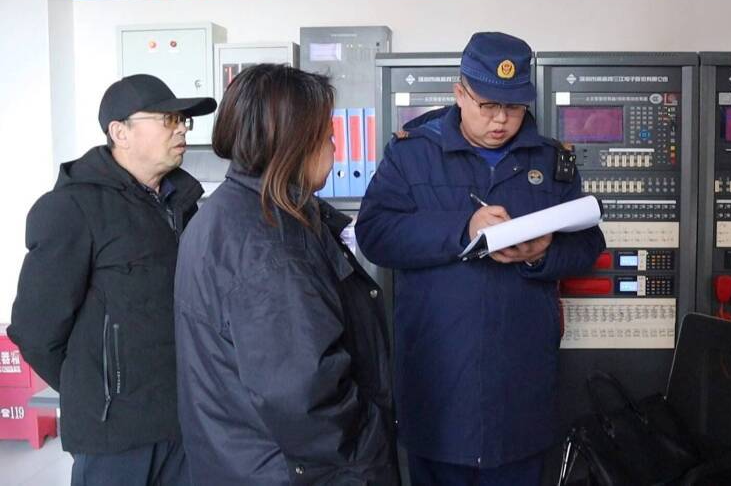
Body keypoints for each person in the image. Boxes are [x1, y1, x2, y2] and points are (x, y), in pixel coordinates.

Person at [356, 32, 605, 486]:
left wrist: (542, 254)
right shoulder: (413, 154)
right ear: (460, 93)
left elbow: (588, 245)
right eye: (488, 105)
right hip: (439, 384)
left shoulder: (550, 161)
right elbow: (375, 235)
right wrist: (463, 229)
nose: (501, 119)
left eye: (514, 107)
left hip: (520, 390)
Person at [173, 64, 399, 485]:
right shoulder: (271, 249)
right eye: (327, 136)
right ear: (295, 143)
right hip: (294, 471)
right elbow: (306, 398)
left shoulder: (222, 213)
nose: (335, 149)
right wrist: (372, 438)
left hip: (239, 459)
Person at [8, 74, 215, 486]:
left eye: (183, 120)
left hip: (183, 422)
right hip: (114, 437)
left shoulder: (183, 205)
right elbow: (35, 331)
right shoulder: (71, 208)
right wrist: (97, 389)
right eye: (168, 119)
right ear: (120, 132)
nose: (181, 129)